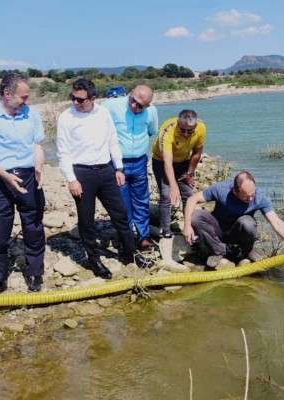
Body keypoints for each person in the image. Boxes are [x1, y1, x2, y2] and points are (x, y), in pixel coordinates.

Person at [56, 78, 154, 278]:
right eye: (72, 97)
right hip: (81, 173)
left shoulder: (103, 113)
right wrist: (71, 179)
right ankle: (94, 262)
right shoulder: (66, 118)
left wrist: (118, 168)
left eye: (80, 99)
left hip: (106, 170)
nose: (75, 102)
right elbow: (63, 152)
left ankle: (130, 255)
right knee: (87, 220)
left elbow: (112, 141)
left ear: (93, 98)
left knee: (120, 214)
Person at [0, 73, 46, 295]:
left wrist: (39, 167)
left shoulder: (32, 115)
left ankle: (34, 273)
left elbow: (38, 146)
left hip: (29, 176)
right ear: (7, 93)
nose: (27, 102)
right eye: (23, 97)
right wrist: (6, 176)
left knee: (33, 226)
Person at [183, 171, 284, 267]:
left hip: (239, 232)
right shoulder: (221, 189)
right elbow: (192, 199)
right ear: (235, 191)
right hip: (218, 229)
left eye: (252, 194)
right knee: (196, 216)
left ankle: (247, 250)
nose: (251, 199)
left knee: (247, 222)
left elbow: (277, 223)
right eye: (246, 196)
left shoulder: (260, 197)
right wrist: (187, 226)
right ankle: (219, 251)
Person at [103, 85, 158, 250]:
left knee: (141, 200)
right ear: (129, 94)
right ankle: (125, 237)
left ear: (147, 106)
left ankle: (143, 237)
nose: (134, 105)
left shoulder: (152, 112)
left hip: (140, 162)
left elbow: (151, 131)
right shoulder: (109, 106)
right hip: (117, 164)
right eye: (132, 100)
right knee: (121, 202)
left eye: (140, 105)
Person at [151, 109, 206, 238]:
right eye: (183, 130)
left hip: (184, 162)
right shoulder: (168, 129)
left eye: (190, 131)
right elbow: (167, 161)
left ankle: (190, 226)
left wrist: (189, 173)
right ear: (178, 123)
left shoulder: (201, 128)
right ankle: (165, 230)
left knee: (188, 194)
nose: (186, 133)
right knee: (166, 194)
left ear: (195, 126)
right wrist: (173, 186)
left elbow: (197, 153)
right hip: (161, 161)